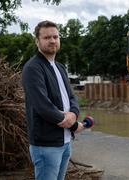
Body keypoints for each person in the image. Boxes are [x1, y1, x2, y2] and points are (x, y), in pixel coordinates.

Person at [22, 20, 84, 180]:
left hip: (65, 142)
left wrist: (74, 114)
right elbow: (42, 106)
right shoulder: (32, 68)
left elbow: (71, 97)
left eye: (55, 37)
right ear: (37, 41)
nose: (52, 41)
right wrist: (72, 123)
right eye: (47, 37)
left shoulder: (60, 67)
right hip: (45, 144)